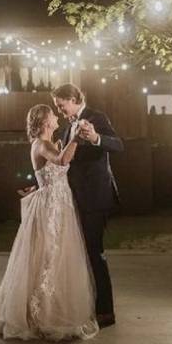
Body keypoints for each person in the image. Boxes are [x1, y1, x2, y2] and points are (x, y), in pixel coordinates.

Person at [0, 104, 99, 340]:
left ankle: (52, 308)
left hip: (60, 205)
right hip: (50, 208)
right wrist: (75, 138)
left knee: (58, 257)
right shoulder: (41, 144)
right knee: (47, 256)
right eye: (52, 115)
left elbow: (51, 170)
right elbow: (62, 161)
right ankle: (38, 313)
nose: (56, 117)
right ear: (44, 122)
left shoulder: (47, 143)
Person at [52, 83, 123, 328]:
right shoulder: (65, 129)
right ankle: (85, 306)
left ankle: (106, 312)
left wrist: (94, 137)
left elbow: (117, 145)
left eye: (61, 106)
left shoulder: (97, 117)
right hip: (74, 199)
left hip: (95, 197)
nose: (60, 111)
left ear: (72, 99)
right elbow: (64, 162)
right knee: (79, 254)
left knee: (95, 252)